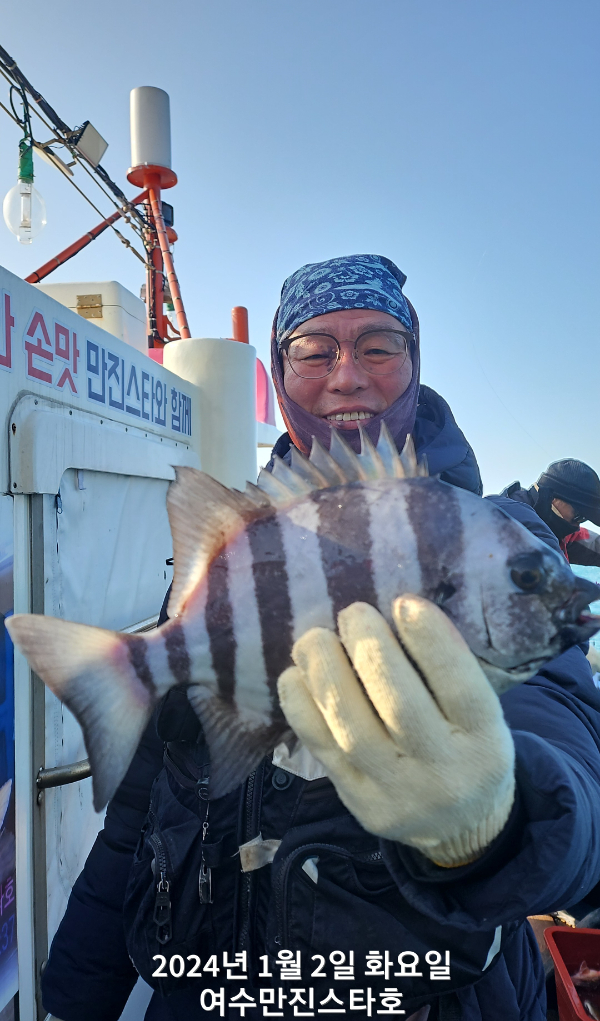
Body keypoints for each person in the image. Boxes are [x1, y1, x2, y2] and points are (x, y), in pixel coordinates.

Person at [41, 255, 600, 1021]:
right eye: (313, 350)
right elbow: (142, 811)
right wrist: (74, 1000)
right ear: (280, 371)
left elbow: (575, 763)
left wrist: (496, 825)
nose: (347, 376)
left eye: (378, 345)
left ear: (413, 362)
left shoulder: (495, 539)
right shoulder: (241, 546)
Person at [488, 459, 600, 563]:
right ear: (553, 499)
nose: (577, 526)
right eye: (579, 516)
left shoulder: (555, 527)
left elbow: (592, 543)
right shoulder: (508, 525)